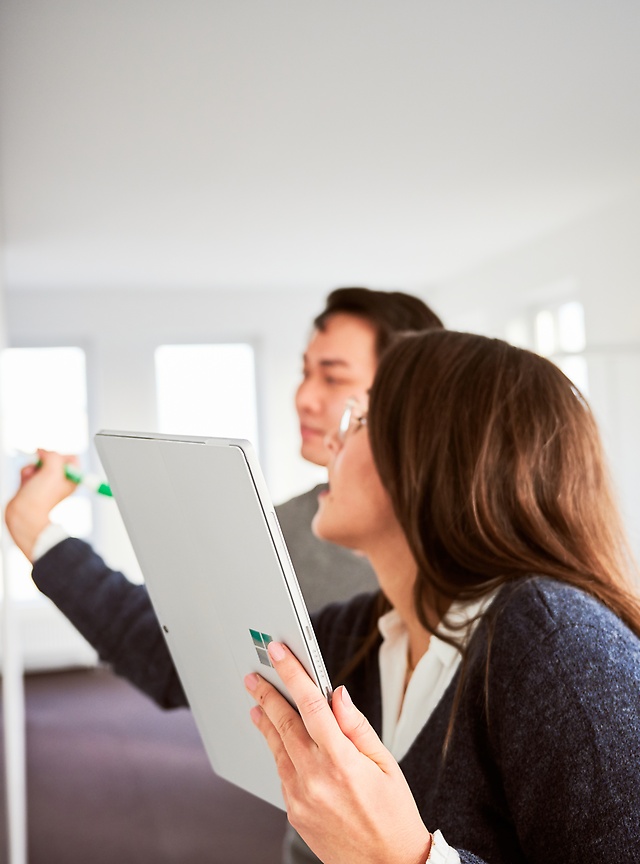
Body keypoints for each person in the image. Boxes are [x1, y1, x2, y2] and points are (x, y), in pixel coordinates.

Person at [4, 287, 444, 863]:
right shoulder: (290, 526)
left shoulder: (499, 595)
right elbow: (178, 653)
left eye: (333, 377)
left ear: (411, 392)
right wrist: (38, 531)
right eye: (304, 372)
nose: (305, 398)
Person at [242, 330, 640, 863]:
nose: (332, 442)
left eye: (358, 420)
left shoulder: (561, 647)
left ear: (436, 455)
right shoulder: (368, 631)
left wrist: (404, 858)